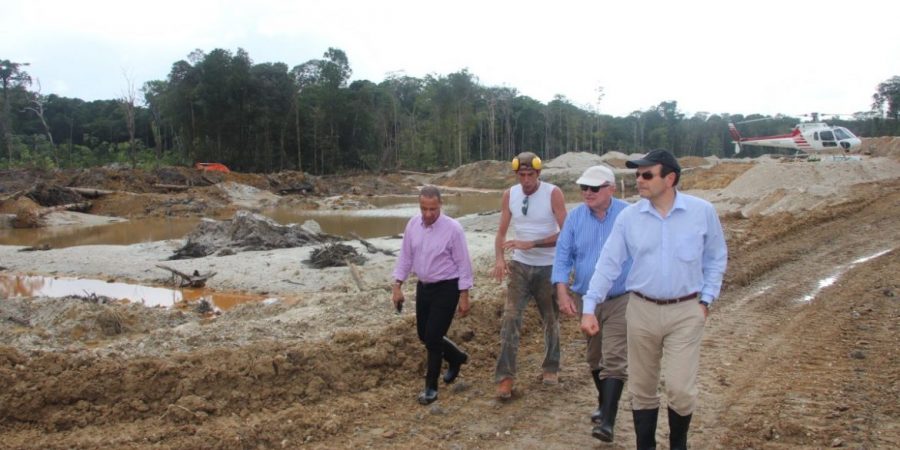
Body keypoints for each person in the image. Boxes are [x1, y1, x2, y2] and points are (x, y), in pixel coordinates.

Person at [580, 149, 727, 450]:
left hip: (685, 311)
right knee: (643, 389)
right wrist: (589, 306)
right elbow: (608, 263)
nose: (639, 180)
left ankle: (678, 445)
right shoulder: (629, 218)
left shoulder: (702, 212)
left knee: (680, 390)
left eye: (647, 174)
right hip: (641, 311)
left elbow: (716, 257)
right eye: (637, 174)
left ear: (670, 178)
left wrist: (706, 300)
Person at [551, 165, 632, 442]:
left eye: (594, 188)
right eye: (584, 187)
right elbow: (563, 257)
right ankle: (604, 402)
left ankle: (607, 422)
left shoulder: (629, 214)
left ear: (610, 188)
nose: (587, 192)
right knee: (595, 358)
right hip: (586, 299)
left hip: (622, 297)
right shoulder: (574, 219)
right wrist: (562, 292)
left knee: (614, 358)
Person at [493, 151, 567, 399]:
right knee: (511, 318)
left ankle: (551, 367)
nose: (526, 180)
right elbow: (501, 231)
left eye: (530, 175)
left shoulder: (552, 193)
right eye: (521, 175)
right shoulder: (509, 195)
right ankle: (505, 378)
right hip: (520, 267)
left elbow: (566, 233)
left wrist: (532, 243)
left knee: (550, 319)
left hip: (548, 266)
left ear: (538, 173)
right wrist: (500, 259)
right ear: (516, 174)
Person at [391, 185, 473, 405]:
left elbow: (463, 263)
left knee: (434, 338)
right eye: (424, 209)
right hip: (424, 287)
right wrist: (397, 285)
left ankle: (431, 388)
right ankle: (456, 357)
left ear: (440, 206)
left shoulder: (453, 229)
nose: (428, 214)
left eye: (433, 210)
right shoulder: (412, 225)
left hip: (447, 287)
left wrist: (464, 295)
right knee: (423, 335)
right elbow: (406, 257)